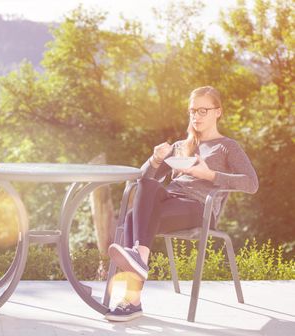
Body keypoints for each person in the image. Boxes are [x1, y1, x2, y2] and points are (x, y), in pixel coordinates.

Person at [105, 86, 258, 322]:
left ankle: (133, 292)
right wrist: (154, 159)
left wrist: (210, 175)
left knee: (131, 218)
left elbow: (251, 183)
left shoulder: (227, 147)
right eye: (192, 111)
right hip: (170, 201)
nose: (196, 116)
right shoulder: (181, 146)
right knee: (146, 187)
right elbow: (144, 177)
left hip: (199, 208)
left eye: (203, 110)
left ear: (218, 112)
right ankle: (139, 263)